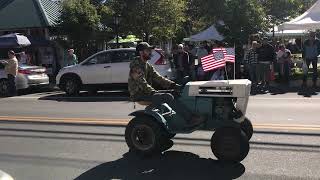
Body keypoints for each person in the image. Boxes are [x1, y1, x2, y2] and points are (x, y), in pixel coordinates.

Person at [128, 42, 205, 127]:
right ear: (141, 52)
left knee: (175, 92)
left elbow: (159, 78)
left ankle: (179, 118)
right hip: (139, 94)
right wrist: (153, 92)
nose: (150, 52)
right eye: (148, 50)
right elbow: (141, 82)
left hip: (146, 92)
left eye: (150, 50)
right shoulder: (136, 66)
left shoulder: (147, 65)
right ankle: (189, 119)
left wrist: (174, 85)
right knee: (167, 96)